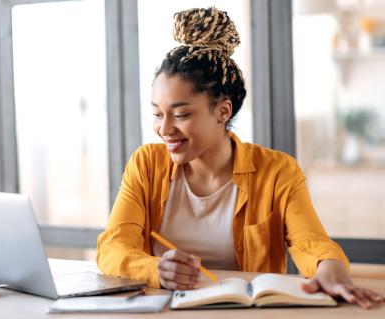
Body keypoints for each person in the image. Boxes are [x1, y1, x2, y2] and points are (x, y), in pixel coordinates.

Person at [96, 7, 384, 309]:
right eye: (157, 113)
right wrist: (155, 270)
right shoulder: (146, 165)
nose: (164, 129)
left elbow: (309, 242)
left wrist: (330, 268)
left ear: (223, 110)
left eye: (181, 114)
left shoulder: (277, 171)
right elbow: (113, 246)